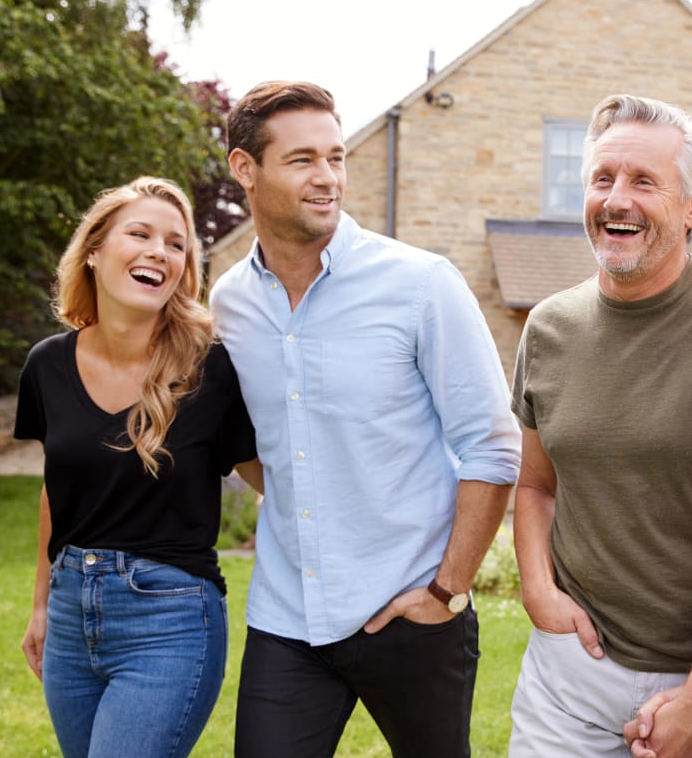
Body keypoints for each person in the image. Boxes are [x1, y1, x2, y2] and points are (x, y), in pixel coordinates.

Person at [209, 81, 521, 758]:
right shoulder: (228, 304)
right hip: (286, 620)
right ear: (245, 170)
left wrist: (446, 589)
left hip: (413, 610)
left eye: (336, 157)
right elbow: (250, 445)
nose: (327, 179)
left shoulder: (421, 284)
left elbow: (494, 447)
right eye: (301, 161)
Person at [509, 93, 692, 758]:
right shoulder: (547, 326)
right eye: (602, 179)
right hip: (568, 673)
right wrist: (539, 593)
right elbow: (533, 487)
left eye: (643, 181)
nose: (616, 200)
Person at [15, 177, 260, 758]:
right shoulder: (47, 365)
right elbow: (57, 490)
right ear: (95, 252)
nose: (161, 251)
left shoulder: (211, 370)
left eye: (177, 244)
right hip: (72, 616)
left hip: (171, 621)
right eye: (142, 233)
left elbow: (273, 477)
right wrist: (42, 604)